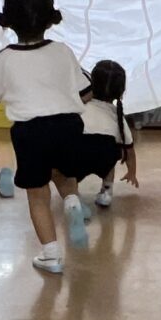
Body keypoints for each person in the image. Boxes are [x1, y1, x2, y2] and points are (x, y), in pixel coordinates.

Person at [0, 0, 90, 274]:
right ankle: (72, 201)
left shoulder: (5, 58)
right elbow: (86, 90)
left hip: (31, 132)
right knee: (65, 175)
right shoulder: (62, 51)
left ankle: (51, 255)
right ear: (51, 19)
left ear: (8, 21)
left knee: (38, 195)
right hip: (69, 125)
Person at [69, 59, 140, 212]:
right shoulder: (117, 115)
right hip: (104, 157)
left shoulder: (80, 105)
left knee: (71, 167)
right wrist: (132, 173)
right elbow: (129, 150)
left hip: (77, 155)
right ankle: (106, 192)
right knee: (112, 152)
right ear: (121, 91)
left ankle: (73, 196)